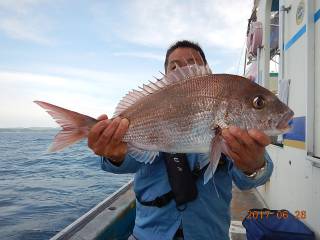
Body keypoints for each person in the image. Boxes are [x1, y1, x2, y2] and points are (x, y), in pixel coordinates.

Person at [88, 40, 273, 240]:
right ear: (166, 76)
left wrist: (254, 166)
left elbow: (255, 176)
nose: (184, 70)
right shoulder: (150, 106)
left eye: (193, 64)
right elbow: (126, 161)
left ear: (208, 76)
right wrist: (113, 155)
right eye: (174, 66)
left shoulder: (230, 117)